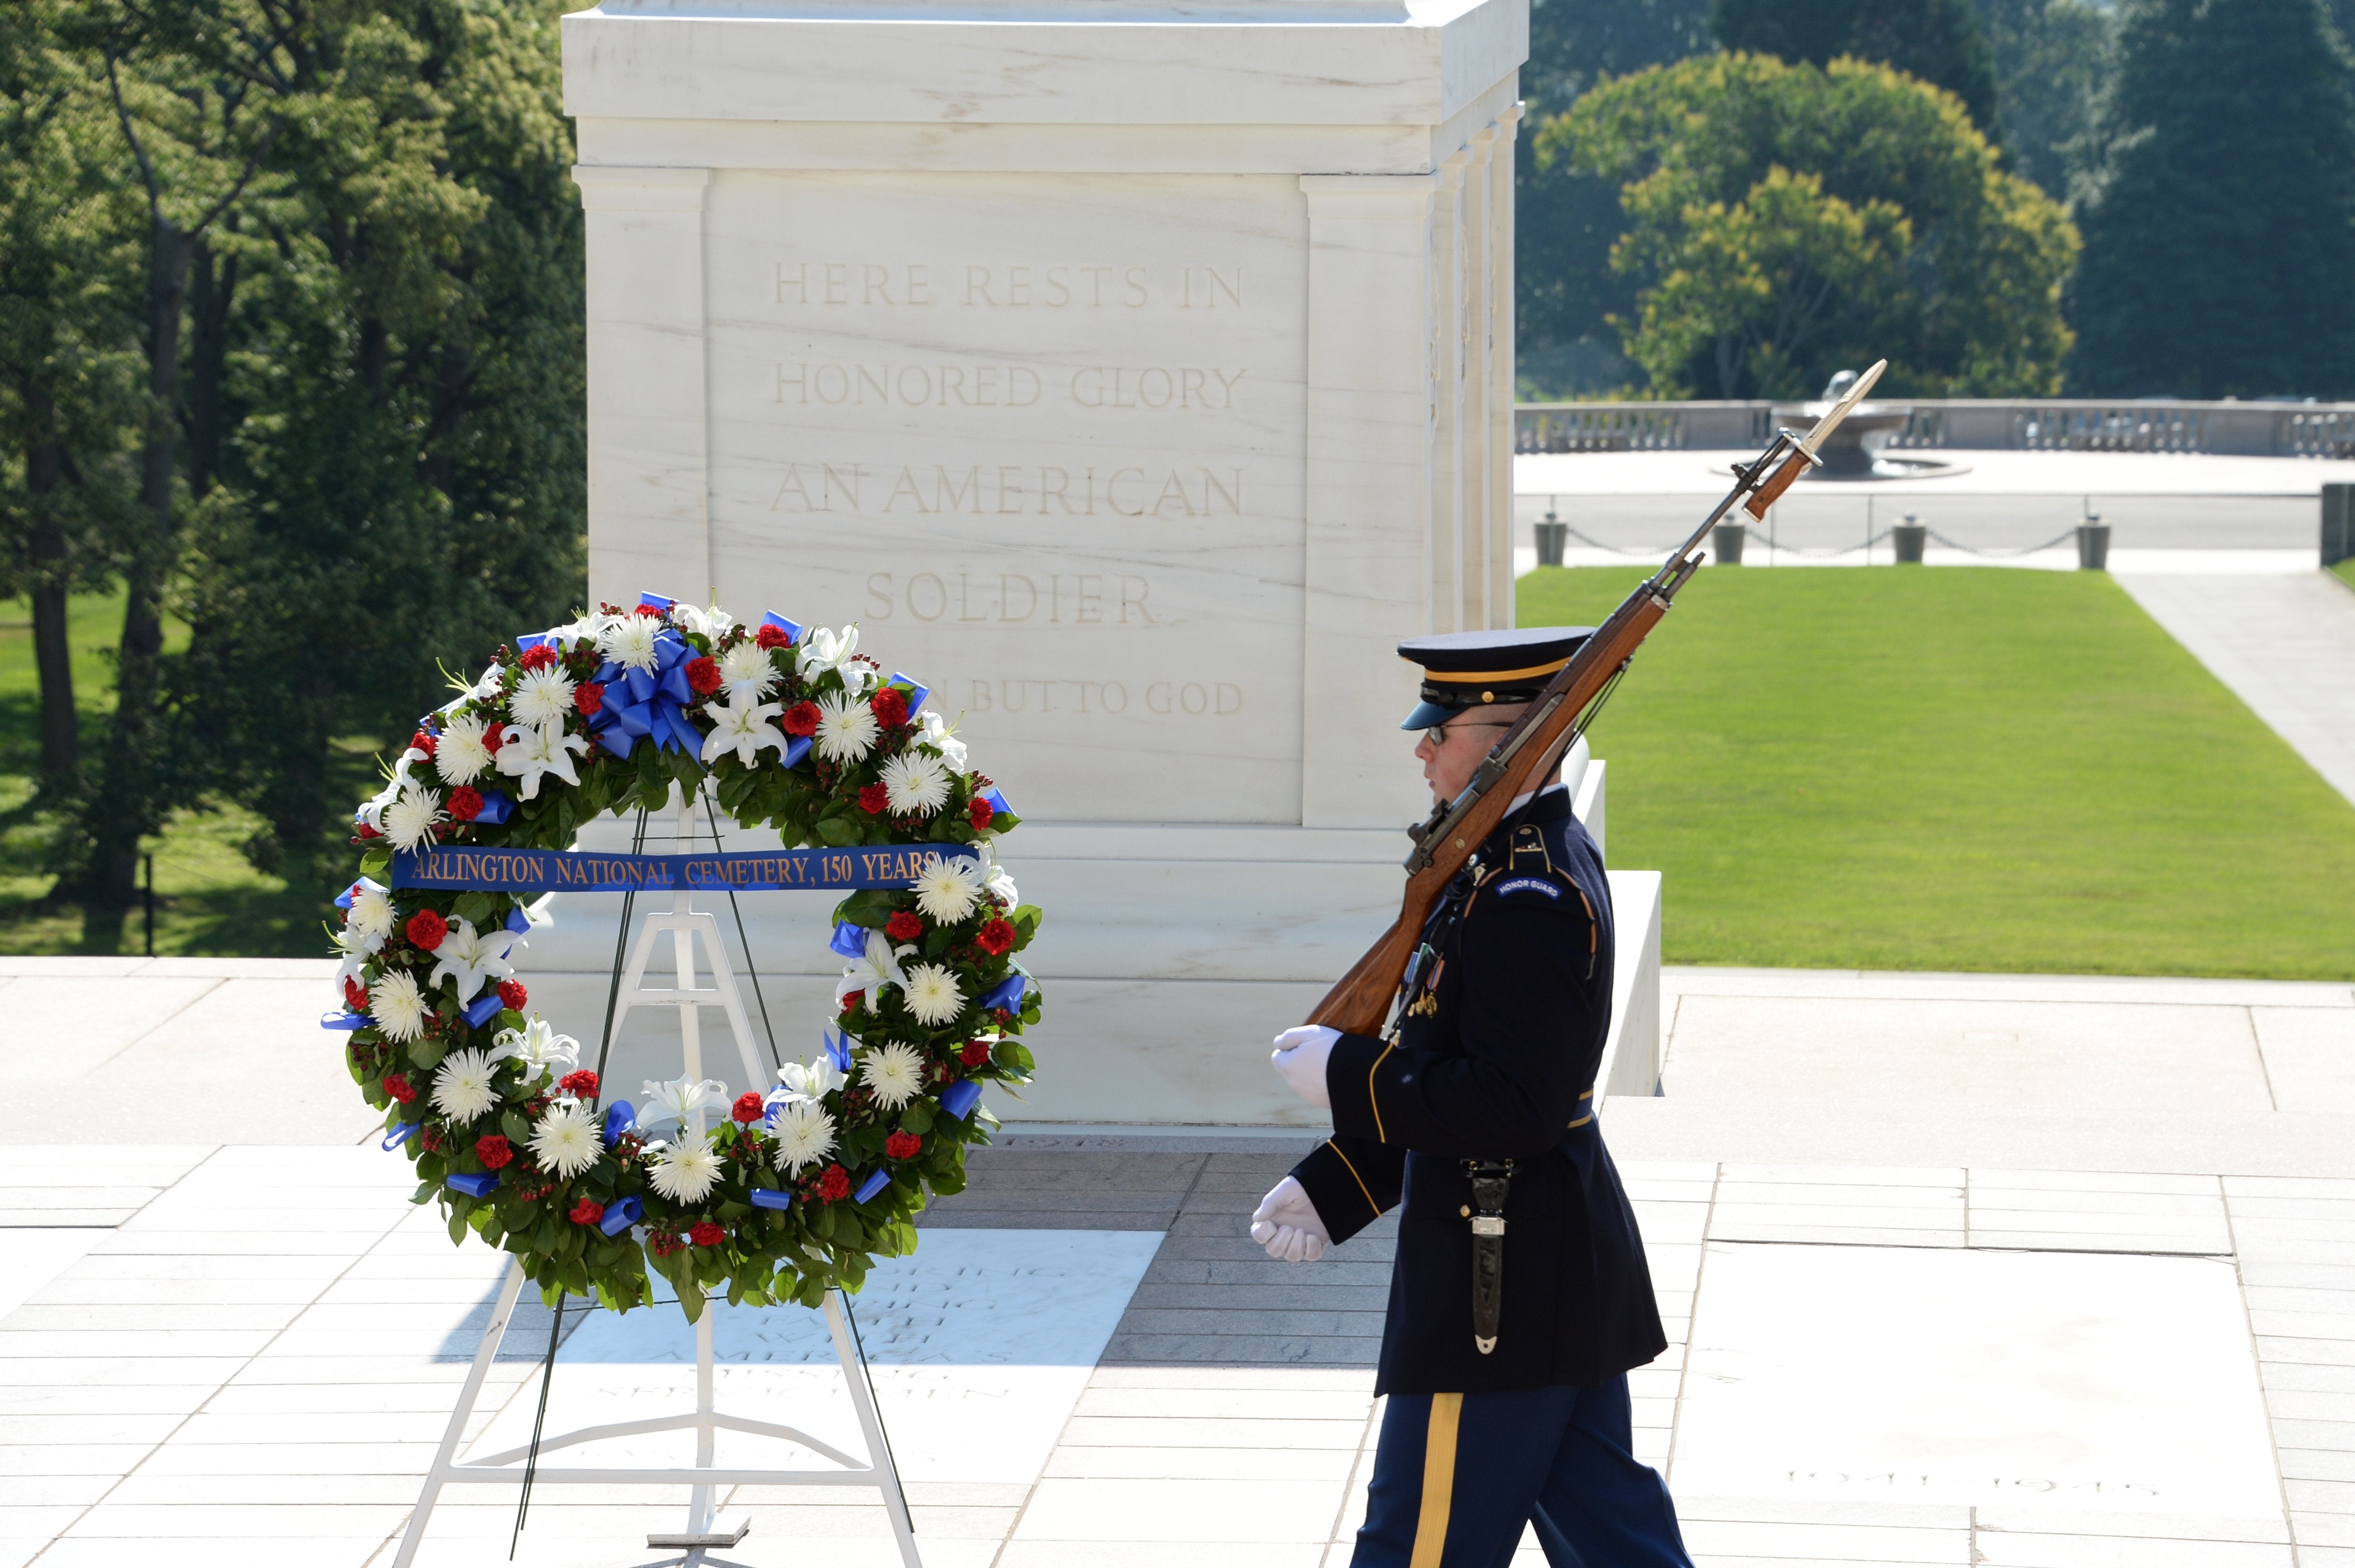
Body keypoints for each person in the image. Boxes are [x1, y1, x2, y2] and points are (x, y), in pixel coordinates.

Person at [1252, 626, 1694, 1568]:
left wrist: (1344, 1073)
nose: (1421, 748)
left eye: (1438, 731)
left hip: (1495, 1280)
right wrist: (1342, 1184)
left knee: (1419, 1547)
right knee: (1612, 1537)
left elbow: (1511, 1104)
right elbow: (1447, 1055)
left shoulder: (1523, 890)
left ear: (1507, 742)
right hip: (1545, 1265)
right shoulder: (1494, 866)